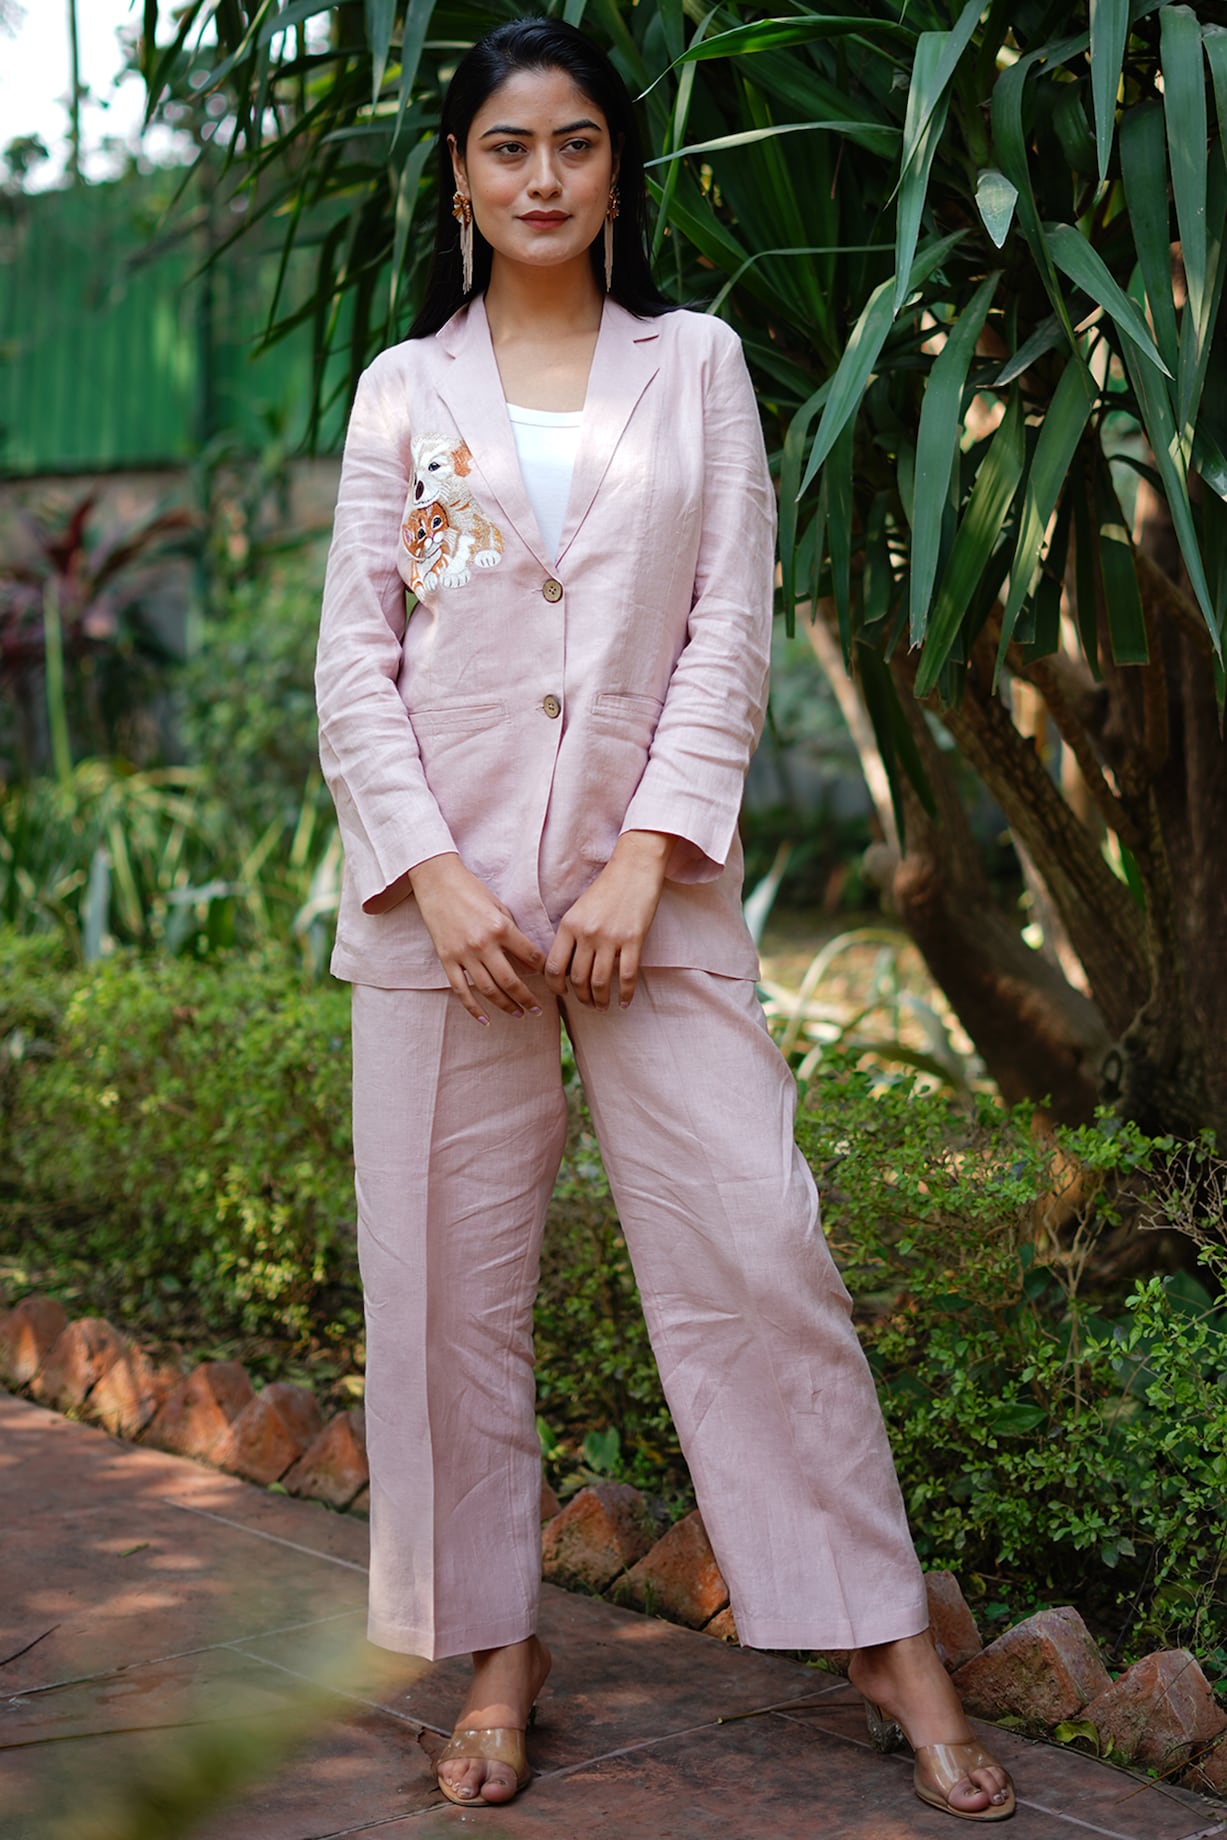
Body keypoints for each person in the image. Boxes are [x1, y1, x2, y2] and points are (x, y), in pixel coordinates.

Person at [315, 15, 1015, 1825]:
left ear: (617, 169)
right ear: (459, 182)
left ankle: (883, 1634)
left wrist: (645, 849)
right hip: (440, 913)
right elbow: (352, 670)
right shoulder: (405, 391)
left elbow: (731, 621)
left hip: (655, 893)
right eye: (503, 149)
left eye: (573, 145)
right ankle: (498, 1648)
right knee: (447, 1298)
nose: (540, 178)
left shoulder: (691, 367)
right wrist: (439, 877)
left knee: (756, 1245)